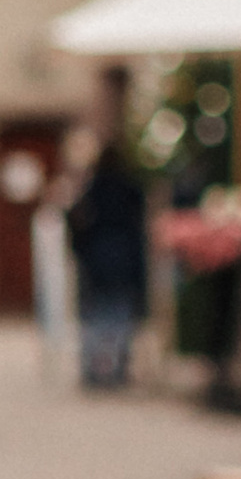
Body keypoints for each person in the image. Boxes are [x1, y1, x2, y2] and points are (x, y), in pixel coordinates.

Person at [66, 138, 149, 390]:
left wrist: (81, 250)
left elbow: (78, 223)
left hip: (97, 260)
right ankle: (117, 369)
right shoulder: (130, 189)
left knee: (95, 317)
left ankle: (93, 370)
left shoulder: (92, 189)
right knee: (120, 315)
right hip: (124, 260)